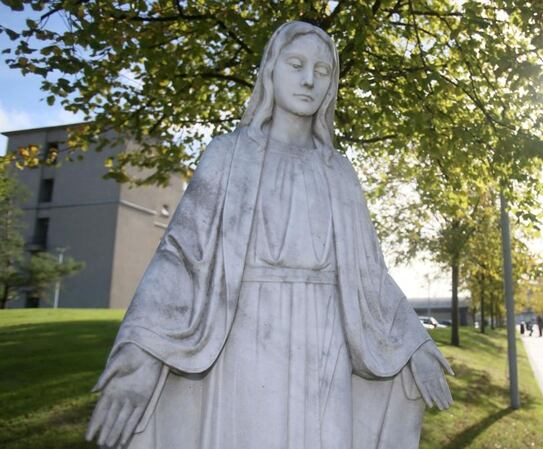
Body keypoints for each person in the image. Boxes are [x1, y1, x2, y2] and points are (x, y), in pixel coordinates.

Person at [85, 21, 453, 449]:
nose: (309, 79)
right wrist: (141, 348)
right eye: (295, 64)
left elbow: (368, 273)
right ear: (270, 71)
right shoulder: (226, 156)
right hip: (244, 334)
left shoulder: (339, 172)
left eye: (323, 70)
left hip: (325, 341)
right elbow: (181, 256)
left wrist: (414, 342)